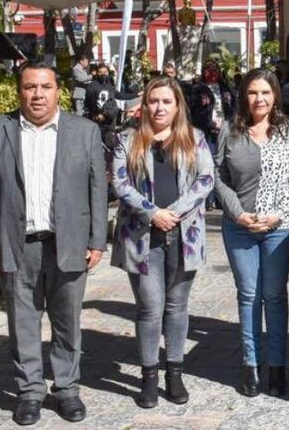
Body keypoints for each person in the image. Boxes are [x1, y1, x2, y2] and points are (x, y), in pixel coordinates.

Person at [0, 60, 108, 425]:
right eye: (30, 87)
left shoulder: (84, 132)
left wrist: (98, 239)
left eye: (45, 87)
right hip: (17, 244)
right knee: (23, 324)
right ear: (19, 91)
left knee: (67, 323)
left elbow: (98, 188)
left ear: (57, 91)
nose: (37, 94)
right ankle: (30, 391)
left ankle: (67, 390)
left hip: (69, 244)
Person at [110, 77, 214, 408]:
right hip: (142, 237)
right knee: (149, 308)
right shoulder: (127, 141)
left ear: (177, 106)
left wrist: (174, 212)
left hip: (184, 235)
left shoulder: (195, 139)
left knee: (177, 306)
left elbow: (206, 179)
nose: (160, 107)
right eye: (154, 101)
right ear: (145, 104)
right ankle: (149, 377)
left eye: (167, 101)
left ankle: (175, 373)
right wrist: (153, 213)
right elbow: (121, 184)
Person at [215, 68, 289, 397]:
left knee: (275, 296)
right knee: (249, 296)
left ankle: (278, 368)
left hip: (277, 229)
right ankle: (251, 366)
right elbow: (219, 176)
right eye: (253, 92)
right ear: (244, 95)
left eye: (266, 92)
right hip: (239, 227)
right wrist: (238, 214)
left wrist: (276, 216)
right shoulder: (230, 130)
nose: (260, 99)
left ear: (275, 96)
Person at [190, 60, 235, 153]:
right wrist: (210, 123)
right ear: (203, 72)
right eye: (209, 70)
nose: (212, 73)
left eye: (215, 70)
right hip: (207, 132)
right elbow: (193, 112)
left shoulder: (225, 88)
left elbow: (234, 107)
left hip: (226, 130)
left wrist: (231, 123)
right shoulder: (197, 89)